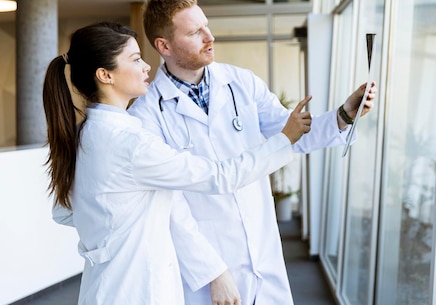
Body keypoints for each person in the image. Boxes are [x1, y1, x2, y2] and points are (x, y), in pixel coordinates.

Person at [128, 0, 377, 305]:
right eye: (195, 33)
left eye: (206, 26)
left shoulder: (241, 83)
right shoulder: (147, 115)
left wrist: (344, 115)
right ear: (163, 46)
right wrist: (214, 272)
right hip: (208, 269)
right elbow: (169, 209)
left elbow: (290, 135)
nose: (210, 37)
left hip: (262, 249)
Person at [43, 22, 313, 305]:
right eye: (135, 59)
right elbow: (220, 177)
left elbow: (64, 212)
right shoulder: (129, 143)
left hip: (104, 288)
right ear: (104, 75)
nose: (147, 67)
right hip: (139, 291)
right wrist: (284, 140)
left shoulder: (86, 135)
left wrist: (110, 237)